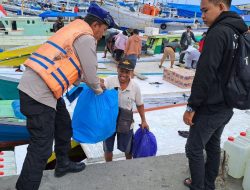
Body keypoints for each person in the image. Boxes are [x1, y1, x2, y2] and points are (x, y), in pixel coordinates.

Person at [16, 3, 115, 190]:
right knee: (41, 148)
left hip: (43, 89)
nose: (102, 34)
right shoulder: (86, 38)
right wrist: (99, 90)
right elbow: (91, 74)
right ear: (95, 25)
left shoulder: (74, 29)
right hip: (39, 95)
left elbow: (77, 69)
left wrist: (94, 81)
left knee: (63, 126)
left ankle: (62, 163)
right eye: (103, 29)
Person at [183, 0, 248, 189]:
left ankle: (198, 186)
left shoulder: (218, 32)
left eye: (205, 10)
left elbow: (205, 73)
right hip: (228, 103)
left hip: (211, 105)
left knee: (194, 148)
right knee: (212, 145)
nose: (202, 15)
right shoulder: (239, 31)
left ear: (220, 6)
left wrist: (192, 106)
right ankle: (207, 184)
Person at [102, 59, 149, 162]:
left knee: (128, 149)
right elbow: (101, 83)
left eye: (127, 72)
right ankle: (108, 166)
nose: (123, 74)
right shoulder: (110, 81)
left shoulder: (135, 87)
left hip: (126, 122)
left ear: (131, 73)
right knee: (107, 148)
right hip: (109, 121)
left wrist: (144, 121)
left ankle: (129, 166)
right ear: (117, 69)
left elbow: (139, 104)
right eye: (121, 71)